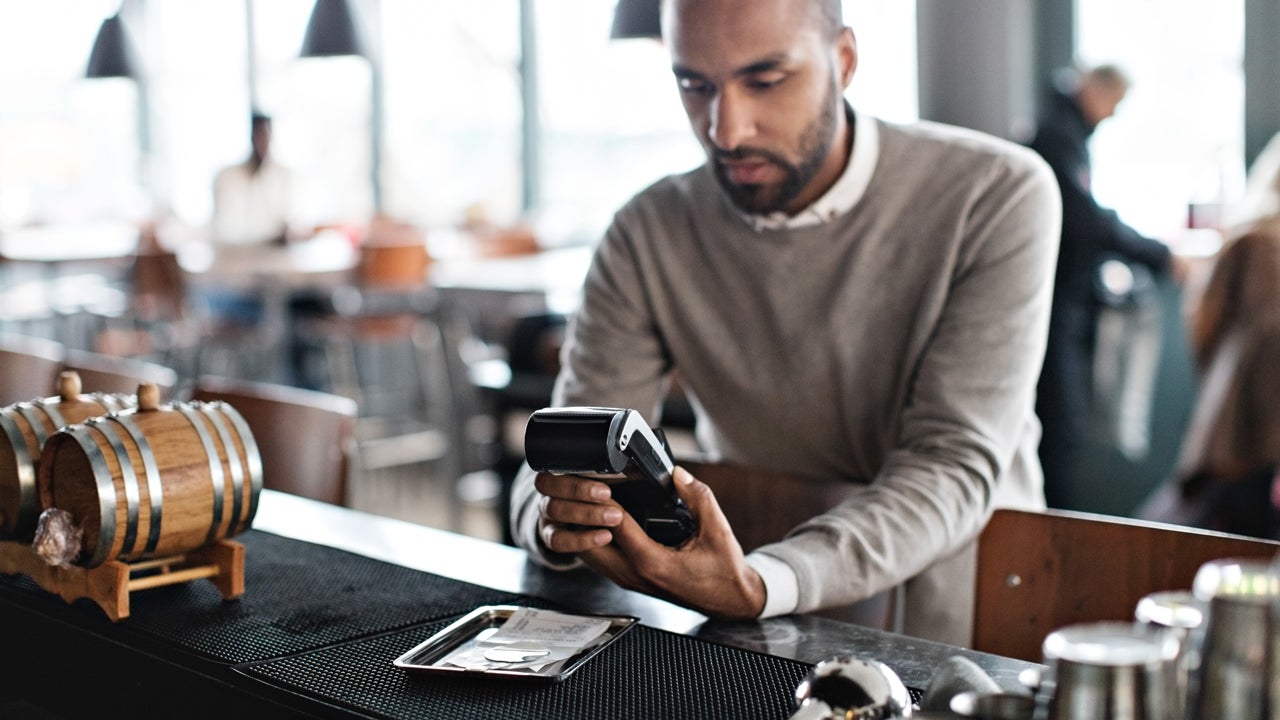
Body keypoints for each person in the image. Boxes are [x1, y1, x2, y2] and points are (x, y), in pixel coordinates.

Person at [508, 0, 1062, 646]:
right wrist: (556, 519)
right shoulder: (646, 231)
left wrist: (766, 581)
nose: (727, 130)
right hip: (747, 601)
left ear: (844, 60)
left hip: (958, 610)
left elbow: (951, 463)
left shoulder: (997, 194)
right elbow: (570, 448)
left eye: (766, 81)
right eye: (696, 85)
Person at [1024, 64, 1188, 509]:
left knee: (1063, 431)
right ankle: (1048, 541)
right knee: (1058, 433)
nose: (1111, 116)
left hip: (1062, 304)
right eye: (1112, 105)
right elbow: (1086, 221)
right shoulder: (1056, 136)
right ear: (1094, 89)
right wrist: (1156, 253)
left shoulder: (1065, 133)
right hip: (1052, 307)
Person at [1136, 218, 1280, 538]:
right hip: (1243, 442)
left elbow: (1203, 321)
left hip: (1233, 439)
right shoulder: (1257, 245)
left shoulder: (1251, 241)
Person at [203, 112, 296, 328]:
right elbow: (225, 233)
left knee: (295, 310)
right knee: (271, 316)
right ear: (250, 137)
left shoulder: (280, 177)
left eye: (268, 137)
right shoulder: (227, 178)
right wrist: (268, 238)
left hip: (273, 281)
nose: (264, 143)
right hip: (232, 288)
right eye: (259, 136)